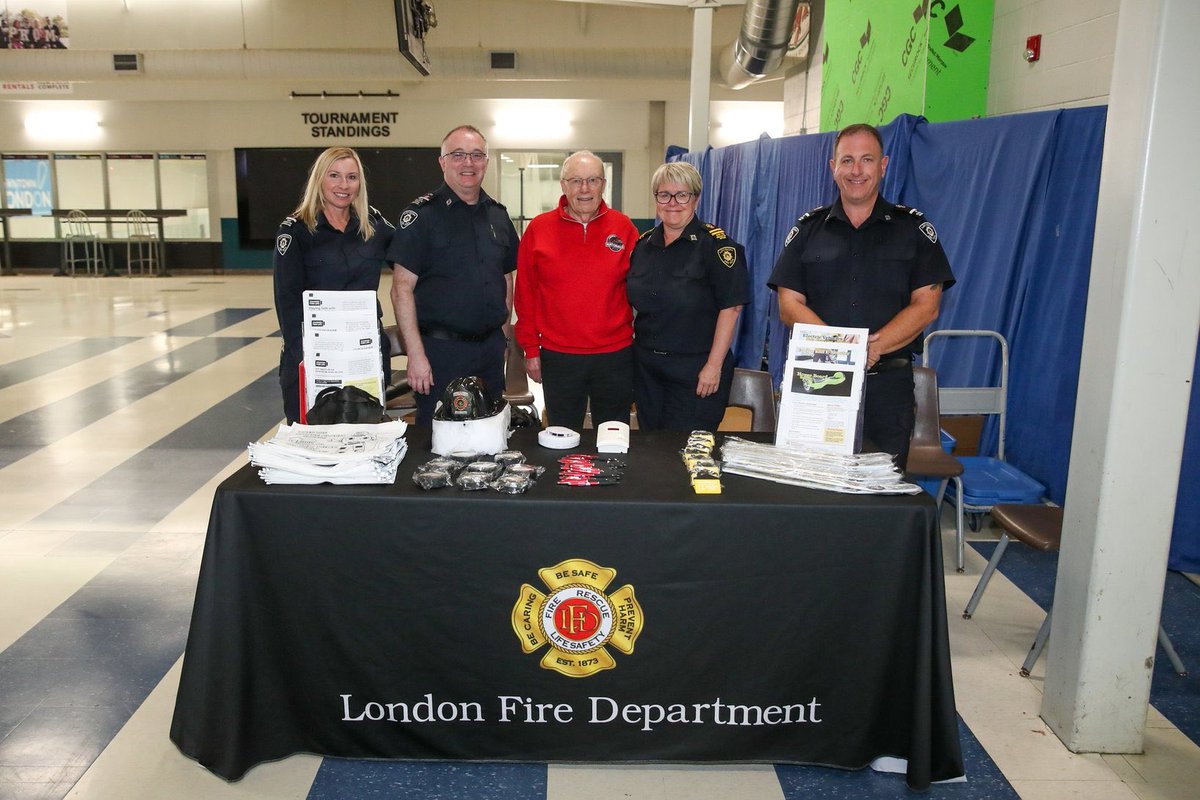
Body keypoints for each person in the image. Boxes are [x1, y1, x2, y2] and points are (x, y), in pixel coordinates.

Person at [768, 122, 955, 469]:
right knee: (816, 482)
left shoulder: (913, 230)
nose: (856, 170)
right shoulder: (807, 230)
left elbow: (927, 306)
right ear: (833, 167)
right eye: (847, 160)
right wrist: (844, 352)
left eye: (866, 160)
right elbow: (788, 305)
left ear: (883, 165)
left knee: (880, 485)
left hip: (888, 389)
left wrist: (873, 348)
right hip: (819, 382)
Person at [387, 125, 519, 426]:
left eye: (476, 155)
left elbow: (506, 278)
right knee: (438, 437)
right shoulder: (421, 216)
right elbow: (401, 289)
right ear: (442, 162)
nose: (468, 163)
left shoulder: (498, 215)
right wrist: (415, 355)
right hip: (439, 353)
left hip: (489, 351)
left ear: (486, 162)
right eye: (458, 155)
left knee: (490, 432)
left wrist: (503, 337)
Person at [513, 150, 639, 429]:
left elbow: (641, 290)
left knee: (613, 437)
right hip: (559, 356)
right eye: (576, 181)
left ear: (603, 184)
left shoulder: (624, 228)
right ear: (563, 185)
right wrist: (530, 349)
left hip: (615, 355)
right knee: (562, 436)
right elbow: (525, 295)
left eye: (593, 180)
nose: (584, 189)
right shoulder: (539, 229)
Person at [272, 146, 394, 424]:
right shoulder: (296, 231)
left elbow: (410, 258)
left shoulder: (373, 226)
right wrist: (305, 360)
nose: (344, 185)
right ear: (319, 179)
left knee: (367, 433)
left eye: (352, 177)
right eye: (334, 175)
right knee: (312, 437)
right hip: (316, 354)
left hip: (363, 352)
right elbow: (287, 300)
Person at [626, 162, 749, 431]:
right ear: (656, 199)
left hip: (697, 369)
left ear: (696, 199)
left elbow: (731, 308)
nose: (672, 203)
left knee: (688, 448)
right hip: (647, 370)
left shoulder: (717, 247)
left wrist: (713, 366)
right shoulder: (642, 247)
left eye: (682, 195)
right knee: (651, 445)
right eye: (664, 195)